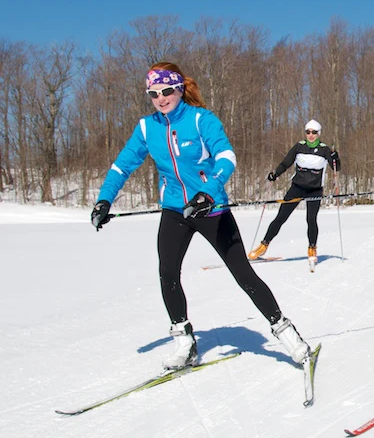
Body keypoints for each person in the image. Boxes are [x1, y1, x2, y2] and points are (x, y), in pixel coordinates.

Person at [90, 62, 312, 371]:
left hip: (211, 208)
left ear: (179, 89)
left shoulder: (201, 119)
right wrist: (104, 200)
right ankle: (184, 343)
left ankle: (288, 335)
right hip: (174, 210)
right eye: (153, 93)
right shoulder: (147, 127)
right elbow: (122, 166)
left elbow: (226, 157)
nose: (161, 98)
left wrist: (208, 193)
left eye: (167, 91)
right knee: (167, 273)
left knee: (243, 274)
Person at [248, 119, 340, 263]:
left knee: (311, 219)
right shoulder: (299, 147)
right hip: (297, 188)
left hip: (315, 190)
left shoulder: (325, 150)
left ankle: (312, 248)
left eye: (314, 132)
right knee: (281, 217)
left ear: (319, 134)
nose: (311, 135)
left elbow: (336, 167)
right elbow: (286, 163)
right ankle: (263, 245)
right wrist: (275, 174)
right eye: (308, 132)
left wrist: (336, 158)